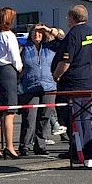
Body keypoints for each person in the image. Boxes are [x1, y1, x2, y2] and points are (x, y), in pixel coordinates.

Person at [52, 4, 92, 165]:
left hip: (72, 83)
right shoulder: (90, 31)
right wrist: (87, 56)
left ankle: (77, 150)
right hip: (87, 81)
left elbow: (65, 61)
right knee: (85, 118)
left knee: (72, 118)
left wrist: (56, 76)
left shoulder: (73, 35)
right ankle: (88, 150)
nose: (66, 20)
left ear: (73, 17)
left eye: (68, 17)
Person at [0, 7, 21, 159]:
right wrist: (19, 68)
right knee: (9, 111)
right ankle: (9, 146)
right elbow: (14, 56)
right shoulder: (9, 35)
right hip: (8, 71)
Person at [18, 24, 56, 156]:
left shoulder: (50, 47)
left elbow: (62, 38)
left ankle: (40, 145)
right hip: (30, 87)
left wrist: (49, 30)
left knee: (44, 117)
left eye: (40, 32)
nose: (37, 35)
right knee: (29, 117)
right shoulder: (24, 48)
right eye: (34, 32)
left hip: (49, 87)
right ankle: (25, 145)